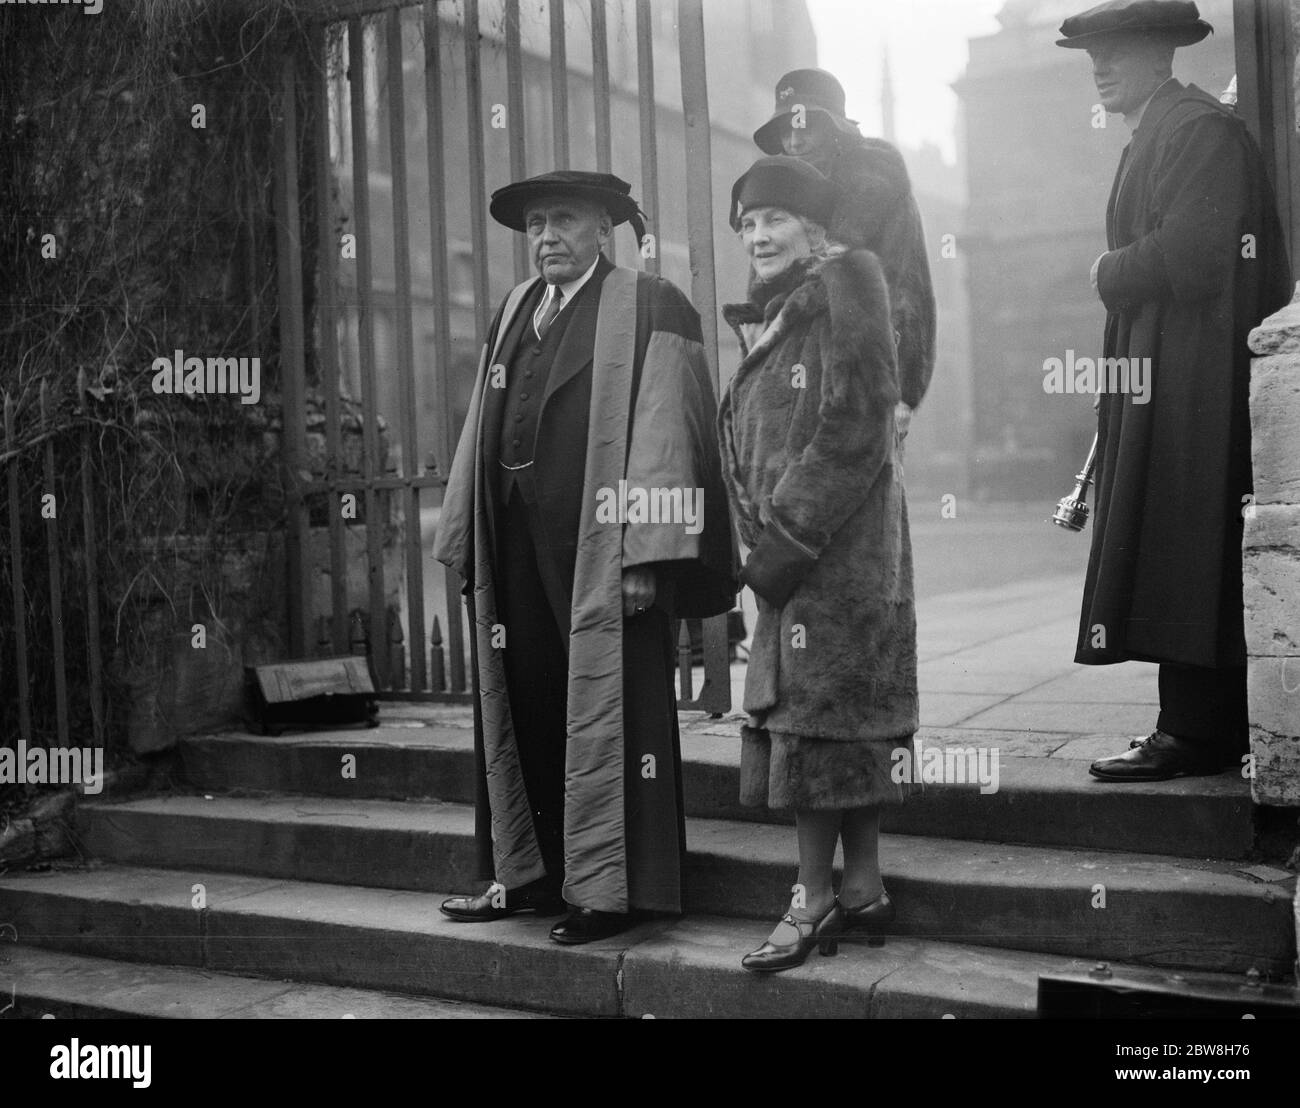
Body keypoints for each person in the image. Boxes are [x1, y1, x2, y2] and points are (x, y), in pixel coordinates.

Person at [433, 170, 736, 944]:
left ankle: (612, 892)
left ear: (604, 230)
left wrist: (649, 554)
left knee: (613, 715)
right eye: (536, 224)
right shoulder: (514, 310)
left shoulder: (649, 304)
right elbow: (483, 420)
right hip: (518, 547)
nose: (547, 238)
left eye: (564, 220)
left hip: (604, 552)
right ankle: (531, 876)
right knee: (526, 702)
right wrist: (468, 534)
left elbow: (671, 431)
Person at [1055, 1, 1292, 781]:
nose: (1100, 65)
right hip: (1173, 369)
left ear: (1162, 55)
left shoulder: (1194, 129)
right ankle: (1200, 727)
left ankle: (1194, 733)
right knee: (1184, 540)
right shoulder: (1171, 128)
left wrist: (1106, 272)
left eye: (1118, 50)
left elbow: (1192, 255)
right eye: (1093, 53)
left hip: (1197, 375)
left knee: (1189, 541)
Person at [718, 156, 918, 973]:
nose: (759, 234)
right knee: (847, 720)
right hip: (819, 553)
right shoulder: (788, 309)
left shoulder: (845, 285)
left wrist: (786, 538)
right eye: (748, 223)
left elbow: (856, 420)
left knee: (813, 724)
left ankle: (811, 901)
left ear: (814, 228)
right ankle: (862, 889)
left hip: (831, 553)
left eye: (775, 218)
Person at [752, 67, 937, 426]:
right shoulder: (778, 198)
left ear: (836, 130)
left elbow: (909, 295)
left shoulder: (883, 191)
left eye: (806, 127)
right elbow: (761, 301)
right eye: (786, 131)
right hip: (787, 395)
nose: (794, 142)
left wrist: (902, 395)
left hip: (865, 391)